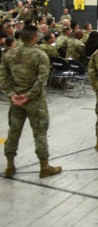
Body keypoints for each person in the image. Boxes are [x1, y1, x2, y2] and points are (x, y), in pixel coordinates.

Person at [1, 25, 62, 179]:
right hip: (36, 102)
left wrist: (12, 94)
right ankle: (44, 166)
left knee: (13, 132)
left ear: (21, 38)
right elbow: (42, 80)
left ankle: (9, 165)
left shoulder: (9, 54)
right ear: (35, 38)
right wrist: (28, 96)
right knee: (40, 133)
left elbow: (3, 77)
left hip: (16, 101)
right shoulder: (40, 55)